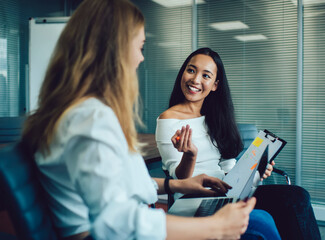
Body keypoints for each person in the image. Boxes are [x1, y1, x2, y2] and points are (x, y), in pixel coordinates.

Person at [20, 1, 265, 239]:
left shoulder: (81, 111)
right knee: (261, 226)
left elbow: (124, 183)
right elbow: (117, 222)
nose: (141, 58)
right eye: (140, 47)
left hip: (135, 221)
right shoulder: (89, 119)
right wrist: (216, 227)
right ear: (113, 49)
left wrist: (180, 186)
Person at [156, 47, 321, 240]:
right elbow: (179, 179)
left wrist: (258, 173)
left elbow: (230, 172)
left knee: (297, 197)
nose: (196, 80)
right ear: (183, 73)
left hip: (225, 193)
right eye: (191, 70)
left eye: (206, 75)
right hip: (193, 199)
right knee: (263, 220)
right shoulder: (168, 119)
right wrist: (190, 155)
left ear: (215, 85)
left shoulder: (215, 118)